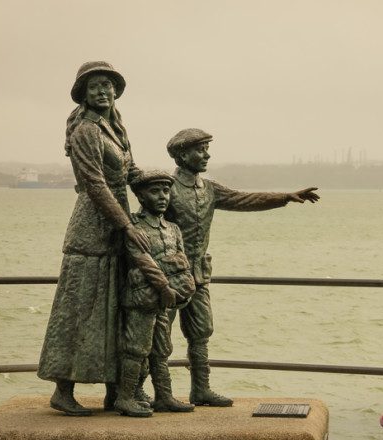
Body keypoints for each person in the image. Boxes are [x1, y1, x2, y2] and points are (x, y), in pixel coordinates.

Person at [164, 128, 320, 407]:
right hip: (168, 274)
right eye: (200, 149)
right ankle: (158, 394)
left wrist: (285, 197)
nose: (206, 154)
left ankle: (201, 389)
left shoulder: (208, 188)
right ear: (181, 154)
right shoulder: (166, 187)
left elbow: (244, 199)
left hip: (198, 273)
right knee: (158, 334)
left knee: (201, 331)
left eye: (206, 148)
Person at [37, 61, 150, 416]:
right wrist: (127, 225)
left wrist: (163, 191)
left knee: (115, 309)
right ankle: (62, 389)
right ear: (83, 95)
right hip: (92, 230)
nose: (103, 91)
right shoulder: (86, 131)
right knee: (79, 310)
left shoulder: (114, 129)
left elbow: (131, 173)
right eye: (95, 86)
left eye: (108, 85)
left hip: (115, 228)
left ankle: (116, 390)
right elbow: (96, 185)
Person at [116, 170, 197, 417]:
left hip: (167, 300)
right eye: (154, 191)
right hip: (144, 299)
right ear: (140, 195)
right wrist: (165, 287)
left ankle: (163, 396)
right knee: (137, 349)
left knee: (162, 348)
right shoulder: (134, 227)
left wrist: (183, 288)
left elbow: (182, 259)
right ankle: (125, 397)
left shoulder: (173, 228)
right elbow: (143, 261)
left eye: (166, 190)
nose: (162, 196)